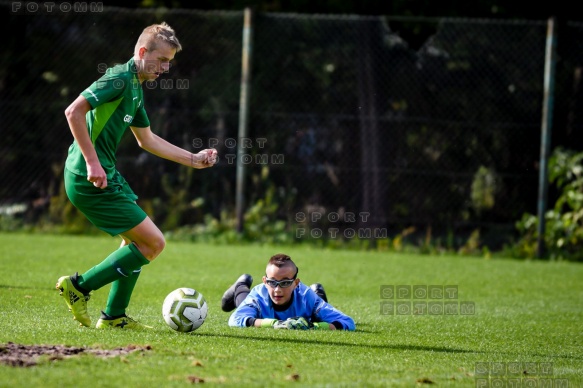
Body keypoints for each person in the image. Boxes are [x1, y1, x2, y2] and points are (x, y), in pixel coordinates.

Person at [56, 22, 218, 330]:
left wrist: (193, 159)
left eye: (170, 62)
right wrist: (92, 163)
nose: (166, 68)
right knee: (154, 244)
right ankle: (79, 286)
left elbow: (148, 140)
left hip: (105, 174)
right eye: (162, 60)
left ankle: (114, 316)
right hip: (87, 177)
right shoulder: (118, 78)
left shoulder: (135, 86)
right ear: (143, 52)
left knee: (137, 242)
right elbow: (73, 111)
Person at [222, 254, 355, 330]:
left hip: (309, 300)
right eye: (272, 282)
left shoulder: (306, 296)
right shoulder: (258, 295)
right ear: (264, 281)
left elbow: (348, 322)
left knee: (317, 313)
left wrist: (313, 327)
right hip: (253, 301)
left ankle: (318, 293)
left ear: (296, 283)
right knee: (242, 307)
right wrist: (274, 324)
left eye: (285, 283)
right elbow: (235, 319)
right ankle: (241, 284)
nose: (277, 290)